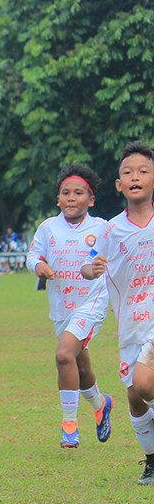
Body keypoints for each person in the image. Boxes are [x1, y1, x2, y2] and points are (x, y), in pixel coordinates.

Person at [26, 164, 114, 448]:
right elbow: (33, 255)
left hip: (92, 302)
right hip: (61, 305)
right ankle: (101, 404)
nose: (71, 197)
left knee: (64, 355)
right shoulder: (48, 227)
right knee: (79, 361)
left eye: (79, 193)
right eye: (66, 193)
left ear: (91, 199)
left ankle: (69, 426)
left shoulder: (101, 228)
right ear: (58, 199)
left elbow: (101, 264)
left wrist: (94, 270)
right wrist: (39, 265)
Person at [83, 141, 154, 484]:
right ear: (118, 184)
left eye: (143, 171)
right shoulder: (111, 230)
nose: (135, 177)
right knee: (134, 395)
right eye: (128, 172)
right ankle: (152, 461)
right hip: (130, 325)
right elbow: (88, 267)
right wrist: (92, 269)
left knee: (144, 383)